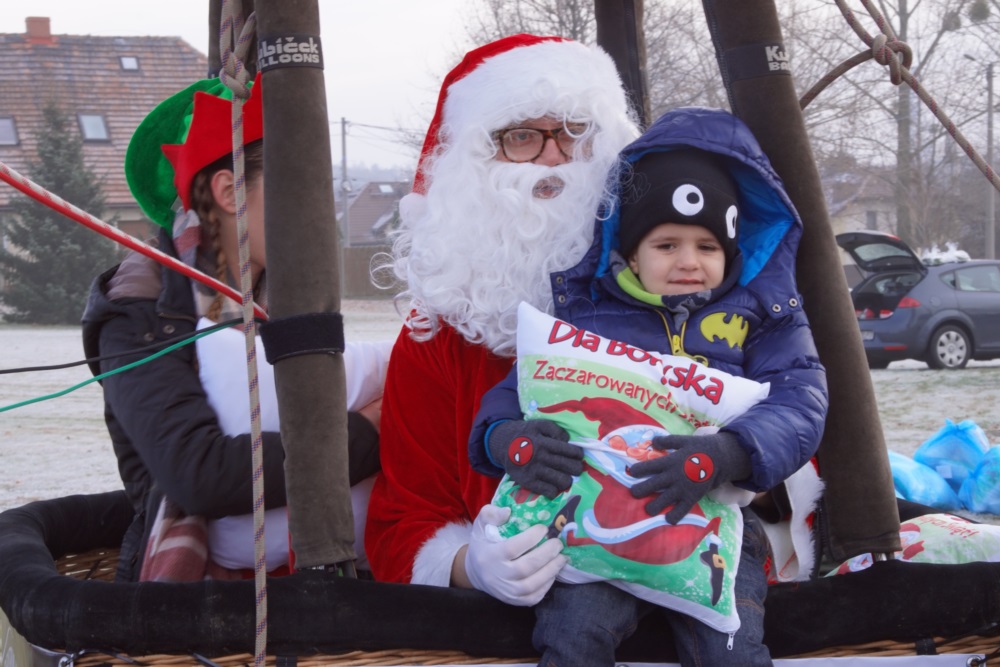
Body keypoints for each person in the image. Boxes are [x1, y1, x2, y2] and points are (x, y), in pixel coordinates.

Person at [467, 107, 829, 665]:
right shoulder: (589, 314)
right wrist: (507, 440)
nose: (689, 262)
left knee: (728, 649)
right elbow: (517, 389)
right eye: (667, 245)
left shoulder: (763, 318)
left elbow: (800, 399)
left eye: (707, 247)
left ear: (730, 250)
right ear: (631, 249)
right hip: (599, 516)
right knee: (573, 634)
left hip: (714, 519)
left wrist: (727, 453)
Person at [364, 33, 639, 598]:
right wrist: (471, 567)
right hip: (509, 630)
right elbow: (403, 521)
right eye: (521, 137)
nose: (556, 157)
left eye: (577, 131)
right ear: (473, 165)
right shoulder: (435, 338)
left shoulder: (688, 294)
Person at [81, 73, 383, 582]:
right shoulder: (137, 313)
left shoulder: (290, 298)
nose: (321, 210)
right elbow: (199, 473)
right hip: (195, 599)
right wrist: (378, 427)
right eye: (303, 185)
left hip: (323, 585)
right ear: (229, 192)